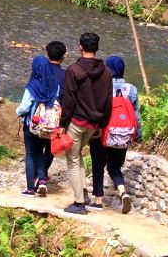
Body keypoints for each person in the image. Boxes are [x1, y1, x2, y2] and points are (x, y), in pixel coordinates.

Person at [58, 32, 112, 215]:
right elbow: (108, 101)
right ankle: (84, 194)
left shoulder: (74, 70)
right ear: (96, 48)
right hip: (93, 124)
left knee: (72, 160)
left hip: (76, 122)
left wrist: (61, 124)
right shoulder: (106, 72)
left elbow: (69, 100)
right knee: (78, 155)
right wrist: (102, 125)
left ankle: (79, 203)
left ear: (80, 47)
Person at [89, 55, 140, 214]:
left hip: (101, 134)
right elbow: (136, 114)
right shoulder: (131, 89)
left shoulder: (101, 86)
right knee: (114, 166)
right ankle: (123, 192)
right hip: (123, 135)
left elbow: (94, 110)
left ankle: (98, 201)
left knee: (98, 165)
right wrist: (137, 135)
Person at [15, 55, 61, 197]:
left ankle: (30, 188)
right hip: (47, 126)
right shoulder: (55, 85)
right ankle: (41, 181)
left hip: (32, 125)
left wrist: (17, 112)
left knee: (30, 154)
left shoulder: (32, 86)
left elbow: (24, 107)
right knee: (40, 152)